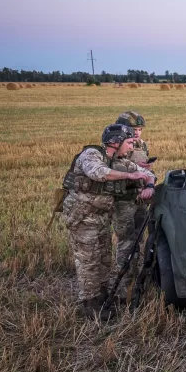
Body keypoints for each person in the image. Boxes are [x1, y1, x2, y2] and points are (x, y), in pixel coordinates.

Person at [60, 124, 155, 318]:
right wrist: (130, 175)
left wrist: (150, 186)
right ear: (115, 142)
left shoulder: (118, 161)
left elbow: (147, 174)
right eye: (129, 143)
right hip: (82, 217)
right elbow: (98, 173)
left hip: (101, 217)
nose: (132, 147)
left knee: (104, 258)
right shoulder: (92, 155)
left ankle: (101, 297)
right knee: (89, 261)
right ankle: (90, 305)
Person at [112, 111, 153, 301]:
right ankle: (123, 288)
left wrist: (146, 170)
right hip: (124, 201)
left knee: (138, 240)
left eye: (139, 129)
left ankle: (137, 281)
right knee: (126, 242)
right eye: (133, 129)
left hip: (140, 200)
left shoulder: (142, 145)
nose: (137, 133)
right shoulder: (115, 146)